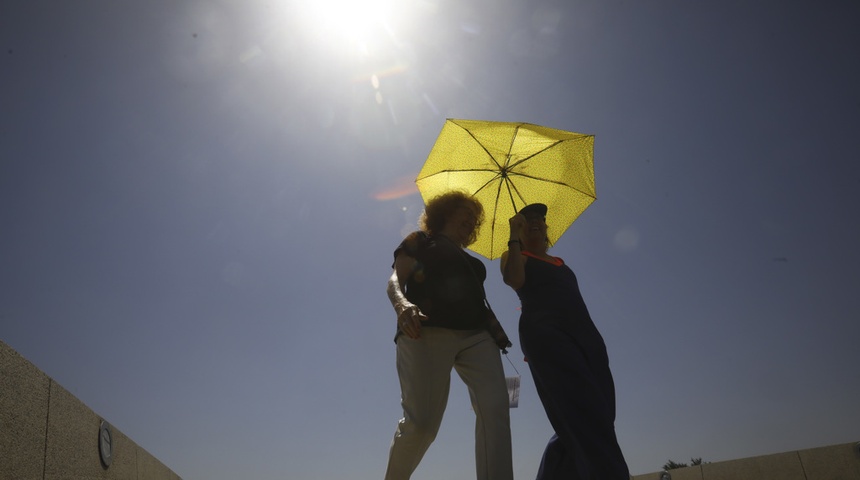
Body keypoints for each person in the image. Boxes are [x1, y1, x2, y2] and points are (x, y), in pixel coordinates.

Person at [384, 190, 513, 480]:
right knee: (422, 425)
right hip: (426, 329)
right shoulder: (420, 240)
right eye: (465, 211)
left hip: (478, 335)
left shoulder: (471, 260)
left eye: (474, 216)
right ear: (446, 212)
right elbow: (395, 280)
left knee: (495, 408)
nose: (471, 218)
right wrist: (402, 304)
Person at [501, 203, 630, 480]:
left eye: (539, 218)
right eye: (527, 220)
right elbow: (513, 279)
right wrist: (513, 233)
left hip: (587, 338)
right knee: (586, 414)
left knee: (598, 415)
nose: (534, 222)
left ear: (547, 227)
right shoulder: (515, 255)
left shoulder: (562, 264)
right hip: (547, 337)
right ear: (519, 228)